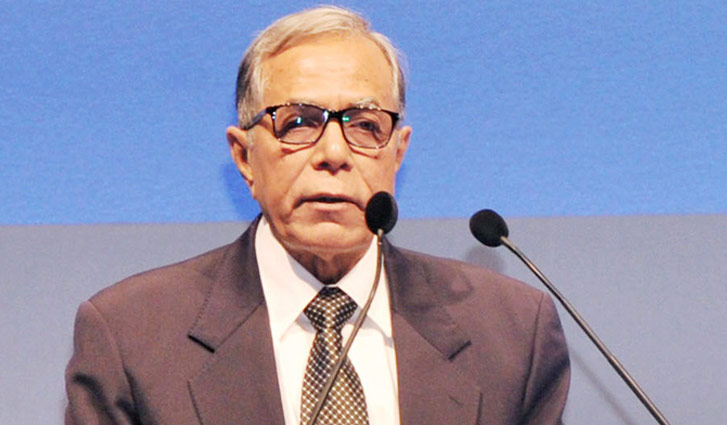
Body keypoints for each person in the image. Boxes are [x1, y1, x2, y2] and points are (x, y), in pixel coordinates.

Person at [65, 6, 570, 425]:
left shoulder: (511, 333)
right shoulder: (131, 338)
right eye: (298, 123)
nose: (334, 153)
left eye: (365, 125)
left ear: (397, 153)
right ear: (244, 157)